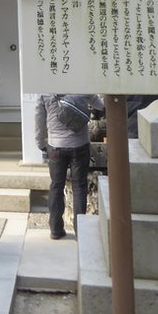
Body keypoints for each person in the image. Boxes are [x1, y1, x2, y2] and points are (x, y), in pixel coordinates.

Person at [35, 93, 102, 240]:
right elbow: (101, 105)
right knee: (79, 186)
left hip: (55, 146)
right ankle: (81, 232)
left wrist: (40, 143)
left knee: (56, 186)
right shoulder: (81, 86)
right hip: (80, 145)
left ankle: (56, 230)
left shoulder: (45, 90)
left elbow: (39, 119)